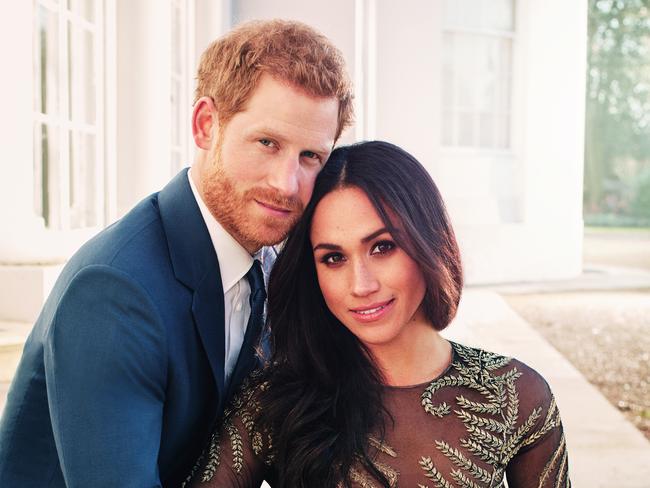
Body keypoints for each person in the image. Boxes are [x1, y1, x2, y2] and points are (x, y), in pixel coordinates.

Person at [0, 20, 352, 487]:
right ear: (206, 125)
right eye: (267, 143)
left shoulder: (266, 262)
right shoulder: (114, 292)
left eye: (311, 156)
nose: (287, 184)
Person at [186, 141, 571, 488]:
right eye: (334, 258)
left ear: (427, 243)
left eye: (383, 247)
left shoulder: (514, 396)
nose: (361, 284)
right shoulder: (274, 402)